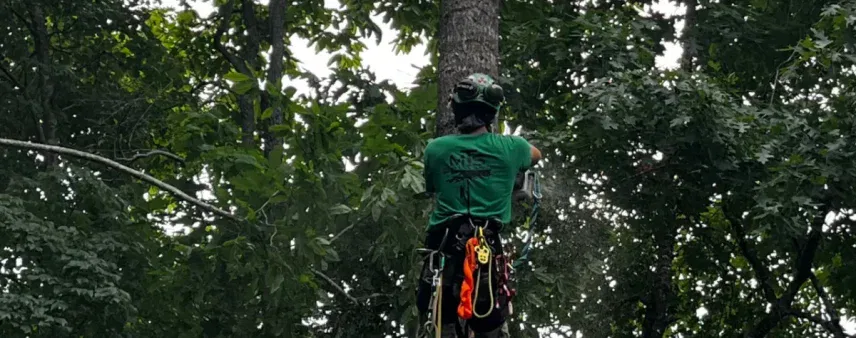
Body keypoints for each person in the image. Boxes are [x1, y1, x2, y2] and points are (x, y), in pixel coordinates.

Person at [416, 73, 541, 338]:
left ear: (457, 110)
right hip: (485, 250)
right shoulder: (513, 148)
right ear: (492, 113)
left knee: (439, 320)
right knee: (488, 321)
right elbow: (535, 154)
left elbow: (432, 188)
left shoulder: (436, 150)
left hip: (445, 246)